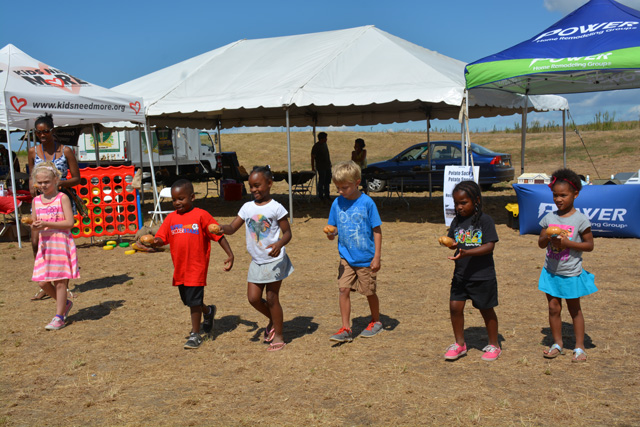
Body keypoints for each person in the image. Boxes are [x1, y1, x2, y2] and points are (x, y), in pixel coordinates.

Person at [146, 179, 234, 349]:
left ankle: (195, 334)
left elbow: (218, 235)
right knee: (189, 300)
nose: (177, 202)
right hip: (180, 268)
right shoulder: (171, 218)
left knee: (193, 301)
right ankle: (208, 312)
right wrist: (154, 242)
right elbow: (161, 238)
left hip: (196, 266)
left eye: (181, 198)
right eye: (174, 199)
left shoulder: (201, 215)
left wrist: (230, 254)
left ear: (192, 197)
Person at [212, 166, 293, 352]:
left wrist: (279, 244)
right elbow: (233, 228)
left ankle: (279, 335)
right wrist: (221, 227)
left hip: (274, 260)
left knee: (272, 298)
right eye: (251, 186)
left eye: (258, 185)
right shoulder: (247, 207)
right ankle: (273, 319)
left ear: (269, 184)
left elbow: (287, 233)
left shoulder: (276, 207)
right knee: (253, 298)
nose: (254, 190)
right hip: (256, 261)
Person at [538, 168, 596, 363]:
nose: (558, 199)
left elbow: (589, 245)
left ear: (575, 194)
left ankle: (580, 347)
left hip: (571, 272)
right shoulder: (549, 218)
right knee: (553, 308)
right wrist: (546, 236)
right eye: (555, 195)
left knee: (574, 310)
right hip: (551, 271)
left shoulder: (580, 219)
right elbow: (540, 243)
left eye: (563, 195)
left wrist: (567, 243)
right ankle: (557, 344)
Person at [443, 180, 501, 362]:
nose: (459, 207)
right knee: (454, 307)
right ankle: (459, 344)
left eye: (463, 203)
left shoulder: (485, 221)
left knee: (486, 309)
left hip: (482, 275)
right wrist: (449, 242)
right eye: (456, 203)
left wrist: (468, 252)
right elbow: (453, 240)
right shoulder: (457, 221)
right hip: (461, 274)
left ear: (475, 200)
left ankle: (494, 344)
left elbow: (489, 246)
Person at [326, 161, 382, 342]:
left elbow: (377, 230)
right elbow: (334, 227)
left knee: (369, 291)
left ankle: (376, 321)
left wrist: (377, 257)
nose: (341, 191)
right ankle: (346, 328)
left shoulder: (367, 203)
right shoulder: (337, 202)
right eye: (337, 188)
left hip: (366, 258)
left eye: (344, 187)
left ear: (357, 182)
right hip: (346, 257)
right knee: (343, 289)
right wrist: (331, 233)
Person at [28, 113, 81, 301]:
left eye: (46, 131)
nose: (43, 135)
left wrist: (59, 185)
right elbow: (31, 175)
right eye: (39, 132)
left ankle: (62, 286)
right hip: (40, 202)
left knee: (59, 245)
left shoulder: (65, 151)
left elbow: (77, 178)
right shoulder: (33, 151)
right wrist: (32, 189)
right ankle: (46, 281)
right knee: (36, 242)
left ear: (53, 131)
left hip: (60, 200)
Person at [30, 161, 79, 330]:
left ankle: (59, 317)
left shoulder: (62, 198)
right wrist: (34, 227)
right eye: (40, 182)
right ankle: (64, 304)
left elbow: (69, 222)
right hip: (45, 245)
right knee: (43, 283)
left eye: (46, 182)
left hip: (60, 243)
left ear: (56, 180)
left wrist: (47, 224)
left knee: (60, 282)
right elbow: (34, 221)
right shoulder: (36, 200)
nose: (43, 185)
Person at [311, 132, 332, 201]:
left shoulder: (325, 144)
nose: (326, 139)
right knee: (322, 181)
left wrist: (330, 163)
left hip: (327, 166)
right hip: (321, 167)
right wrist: (313, 167)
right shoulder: (316, 146)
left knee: (327, 181)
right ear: (322, 139)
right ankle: (320, 195)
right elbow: (312, 157)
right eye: (325, 138)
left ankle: (327, 194)